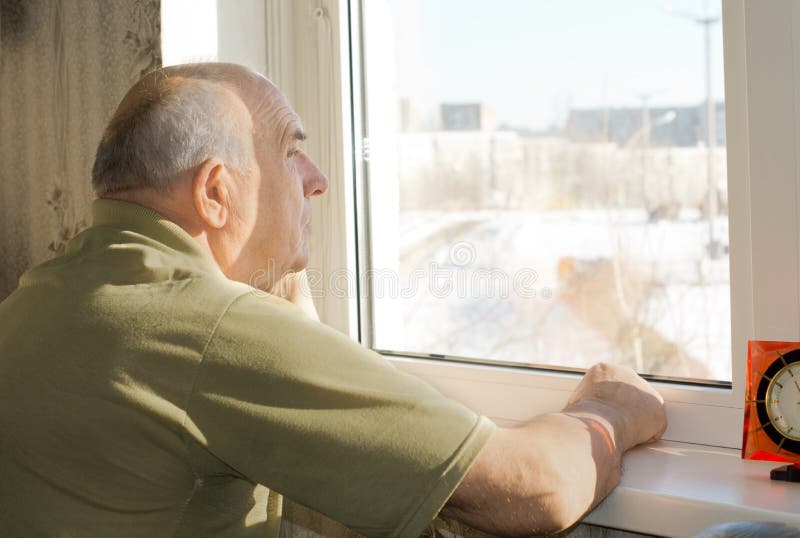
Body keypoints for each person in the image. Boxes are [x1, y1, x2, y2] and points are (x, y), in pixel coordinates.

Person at [0, 62, 666, 537]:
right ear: (215, 193)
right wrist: (611, 410)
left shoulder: (40, 296)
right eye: (291, 150)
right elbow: (533, 489)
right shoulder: (209, 331)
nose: (316, 181)